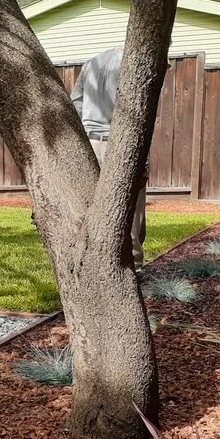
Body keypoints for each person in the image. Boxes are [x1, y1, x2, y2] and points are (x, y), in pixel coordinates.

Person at [70, 46, 148, 271]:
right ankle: (133, 265)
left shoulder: (90, 64)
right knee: (132, 206)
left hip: (91, 144)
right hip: (122, 143)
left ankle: (97, 262)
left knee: (97, 205)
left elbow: (76, 104)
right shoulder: (135, 63)